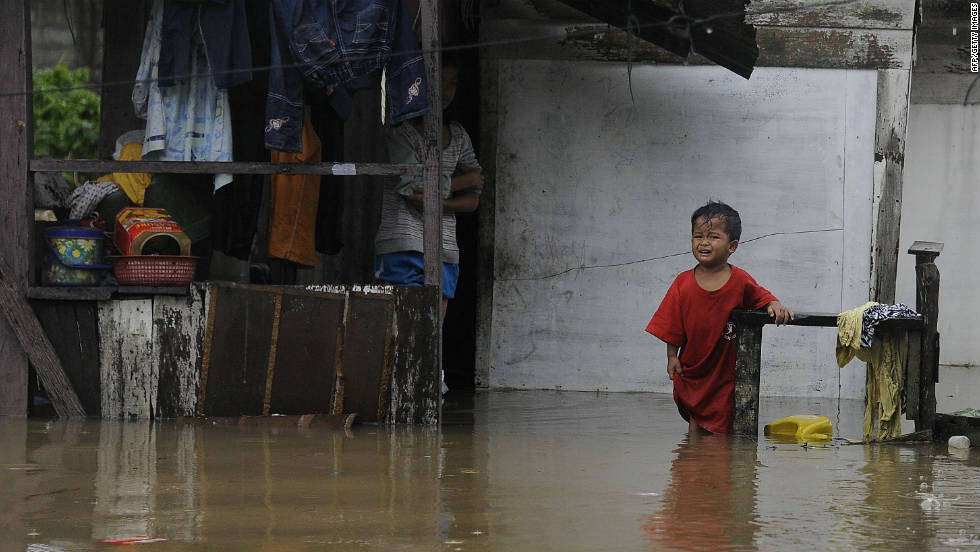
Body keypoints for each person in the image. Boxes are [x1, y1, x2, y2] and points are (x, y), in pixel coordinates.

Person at [646, 201, 794, 435]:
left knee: (722, 429)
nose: (704, 242)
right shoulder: (682, 283)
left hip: (724, 371)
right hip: (693, 368)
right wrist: (672, 356)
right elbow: (671, 323)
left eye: (713, 237)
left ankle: (718, 466)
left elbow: (761, 297)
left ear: (732, 246)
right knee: (695, 425)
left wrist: (774, 304)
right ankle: (692, 466)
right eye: (698, 236)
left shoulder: (740, 280)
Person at [374, 55, 483, 357]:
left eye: (452, 84)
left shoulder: (458, 135)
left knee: (428, 341)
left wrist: (438, 197)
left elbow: (475, 198)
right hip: (403, 244)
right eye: (438, 83)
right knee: (401, 337)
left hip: (445, 248)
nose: (446, 92)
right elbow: (413, 190)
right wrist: (461, 183)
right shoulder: (400, 130)